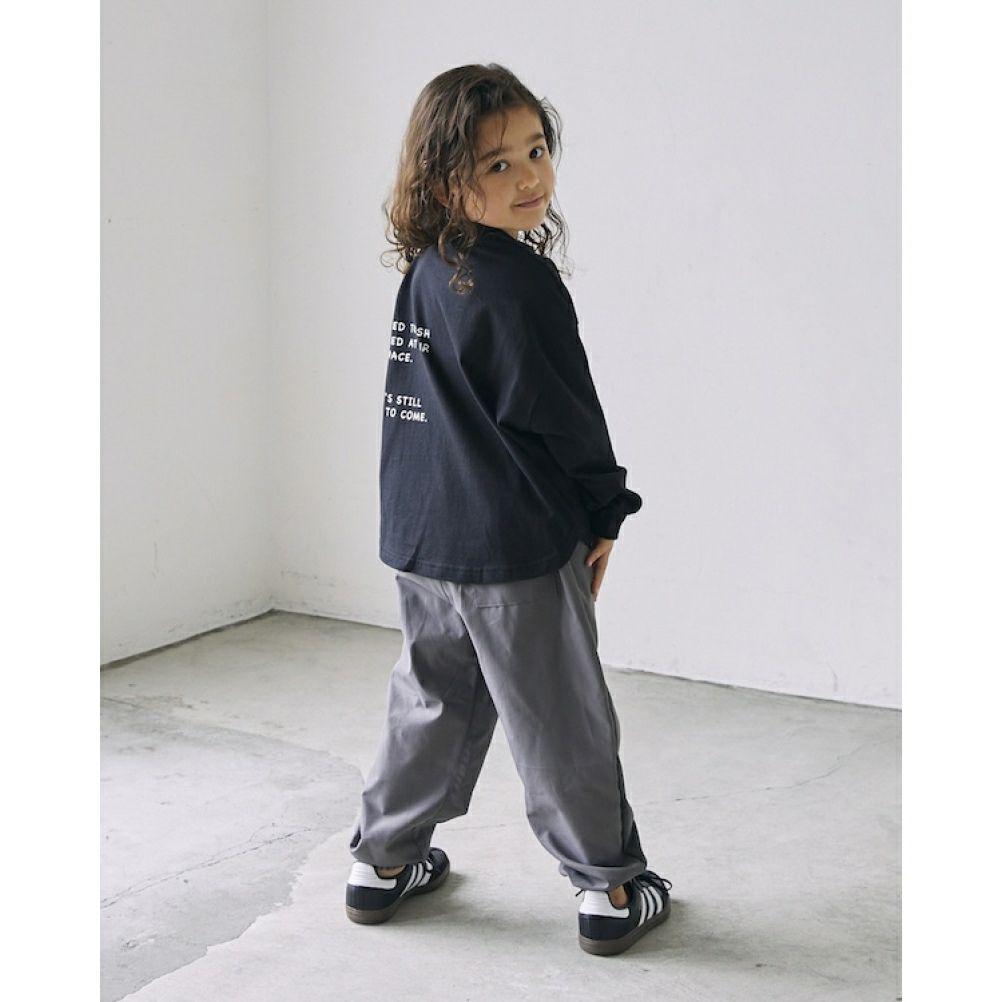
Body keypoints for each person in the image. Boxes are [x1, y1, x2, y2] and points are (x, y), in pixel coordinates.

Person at [344, 63, 671, 957]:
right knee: (558, 712)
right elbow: (563, 415)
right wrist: (605, 511)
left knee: (430, 697)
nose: (529, 177)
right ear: (442, 178)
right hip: (514, 543)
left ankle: (381, 863)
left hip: (423, 533)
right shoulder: (523, 285)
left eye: (536, 150)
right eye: (498, 164)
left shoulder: (427, 270)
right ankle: (609, 887)